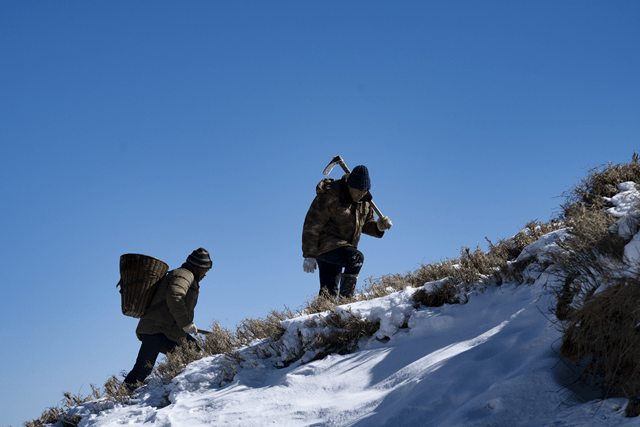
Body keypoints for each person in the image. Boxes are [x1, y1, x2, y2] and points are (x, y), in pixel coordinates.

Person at [122, 248, 212, 393]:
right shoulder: (184, 275)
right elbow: (175, 298)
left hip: (166, 330)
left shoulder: (186, 276)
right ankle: (120, 398)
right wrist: (186, 324)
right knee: (143, 369)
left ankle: (179, 388)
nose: (206, 273)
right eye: (206, 269)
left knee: (193, 353)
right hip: (157, 329)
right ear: (199, 267)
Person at [302, 165, 392, 299]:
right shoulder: (330, 196)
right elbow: (312, 223)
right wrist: (309, 254)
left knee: (328, 292)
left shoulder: (365, 202)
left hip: (343, 247)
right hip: (325, 245)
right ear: (349, 186)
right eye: (358, 192)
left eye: (363, 192)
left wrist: (378, 227)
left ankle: (323, 316)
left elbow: (366, 224)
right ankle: (346, 300)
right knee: (356, 258)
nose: (360, 196)